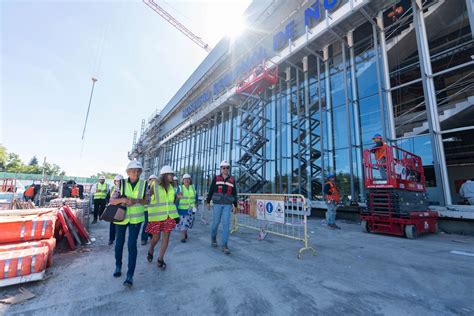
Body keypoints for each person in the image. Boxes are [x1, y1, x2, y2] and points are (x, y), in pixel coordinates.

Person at [109, 160, 147, 287]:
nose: (135, 173)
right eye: (133, 171)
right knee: (119, 243)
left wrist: (136, 200)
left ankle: (130, 275)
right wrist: (124, 199)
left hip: (136, 219)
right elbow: (112, 201)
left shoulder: (144, 184)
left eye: (138, 171)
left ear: (140, 172)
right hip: (121, 218)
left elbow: (147, 200)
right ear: (128, 172)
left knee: (132, 245)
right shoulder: (122, 184)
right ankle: (118, 266)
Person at [146, 166, 180, 269]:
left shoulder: (172, 187)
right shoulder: (155, 184)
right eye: (171, 174)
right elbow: (147, 197)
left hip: (169, 216)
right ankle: (151, 249)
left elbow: (171, 202)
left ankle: (160, 259)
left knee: (166, 238)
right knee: (156, 238)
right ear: (165, 175)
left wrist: (177, 198)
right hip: (156, 216)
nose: (172, 176)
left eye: (173, 174)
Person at [206, 160, 238, 255]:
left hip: (227, 205)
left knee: (226, 225)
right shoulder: (216, 178)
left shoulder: (232, 179)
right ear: (220, 169)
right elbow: (211, 190)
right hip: (218, 204)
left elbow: (234, 193)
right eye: (223, 167)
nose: (225, 169)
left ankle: (224, 245)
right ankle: (213, 238)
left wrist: (235, 205)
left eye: (227, 167)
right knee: (215, 223)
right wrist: (208, 201)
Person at [175, 174, 198, 243]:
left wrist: (196, 205)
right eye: (185, 179)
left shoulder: (193, 187)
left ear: (190, 180)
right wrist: (175, 208)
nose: (187, 180)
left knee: (189, 222)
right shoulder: (180, 188)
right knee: (183, 222)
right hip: (182, 209)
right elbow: (177, 199)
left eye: (188, 179)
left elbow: (196, 197)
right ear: (183, 180)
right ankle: (182, 236)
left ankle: (185, 232)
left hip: (191, 209)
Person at [140, 174, 156, 246]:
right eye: (151, 179)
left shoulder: (158, 189)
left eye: (154, 179)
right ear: (149, 180)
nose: (153, 181)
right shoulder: (146, 188)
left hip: (155, 209)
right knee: (147, 223)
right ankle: (144, 238)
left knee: (153, 223)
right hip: (147, 209)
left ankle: (151, 235)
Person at [107, 175, 123, 246]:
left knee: (119, 225)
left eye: (119, 181)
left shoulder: (124, 189)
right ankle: (111, 239)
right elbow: (107, 197)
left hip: (120, 208)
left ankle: (118, 239)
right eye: (116, 181)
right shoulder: (112, 188)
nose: (117, 182)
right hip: (113, 208)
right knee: (112, 225)